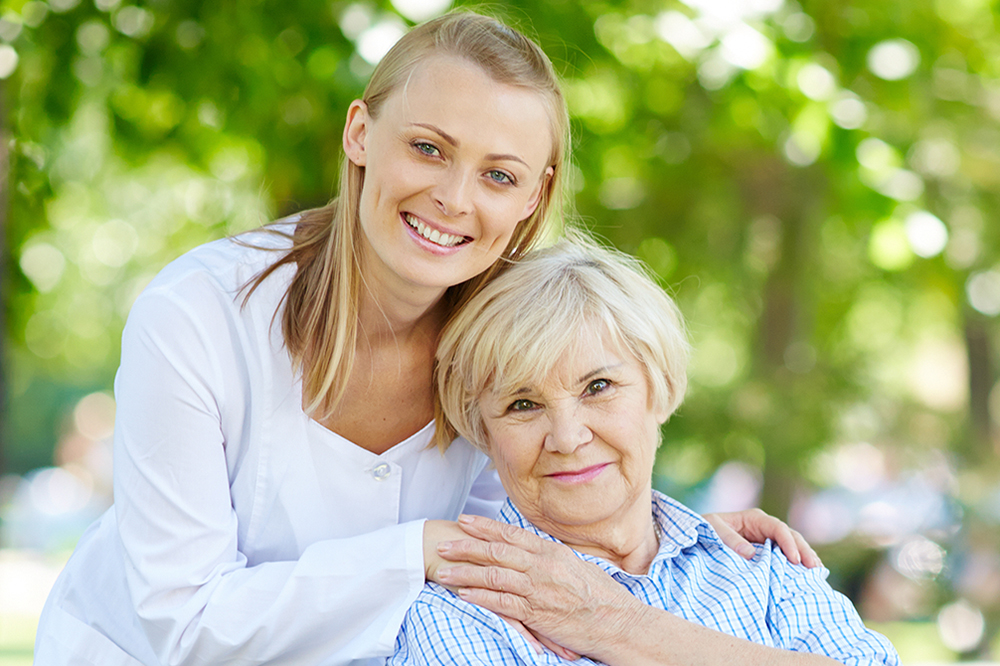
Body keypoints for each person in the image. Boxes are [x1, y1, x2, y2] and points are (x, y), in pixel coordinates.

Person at [34, 12, 816, 666]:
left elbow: (539, 509)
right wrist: (424, 549)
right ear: (360, 134)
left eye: (499, 175)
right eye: (428, 149)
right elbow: (185, 624)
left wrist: (654, 534)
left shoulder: (509, 346)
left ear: (536, 193)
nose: (452, 198)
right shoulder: (198, 316)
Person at [391, 237, 900, 666]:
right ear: (483, 430)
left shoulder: (764, 572)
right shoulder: (459, 617)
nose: (567, 438)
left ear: (659, 389)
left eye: (598, 386)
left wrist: (617, 626)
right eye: (523, 404)